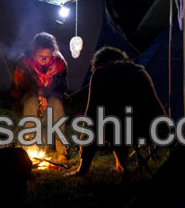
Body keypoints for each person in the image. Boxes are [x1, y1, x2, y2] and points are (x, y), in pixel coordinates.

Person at [67, 46, 166, 177]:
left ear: (98, 63)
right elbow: (155, 105)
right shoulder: (139, 70)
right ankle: (120, 165)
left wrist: (83, 144)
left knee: (104, 122)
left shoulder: (100, 74)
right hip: (155, 129)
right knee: (119, 119)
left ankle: (83, 169)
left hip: (122, 131)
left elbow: (91, 113)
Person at [12, 32, 69, 162]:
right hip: (28, 95)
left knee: (57, 105)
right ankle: (30, 148)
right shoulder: (24, 61)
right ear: (34, 52)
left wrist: (47, 93)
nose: (44, 60)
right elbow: (20, 86)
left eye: (47, 57)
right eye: (40, 56)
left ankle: (62, 151)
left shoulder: (59, 62)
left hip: (52, 94)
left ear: (53, 53)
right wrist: (38, 92)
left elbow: (62, 85)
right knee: (31, 103)